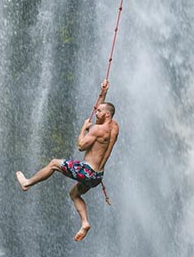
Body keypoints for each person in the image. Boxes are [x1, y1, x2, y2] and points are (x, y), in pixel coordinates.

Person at [16, 79, 119, 241]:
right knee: (74, 194)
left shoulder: (97, 130)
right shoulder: (114, 127)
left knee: (54, 163)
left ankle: (27, 183)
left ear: (106, 114)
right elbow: (104, 112)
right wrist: (104, 93)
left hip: (87, 171)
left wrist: (83, 129)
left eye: (98, 111)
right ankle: (85, 222)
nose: (95, 113)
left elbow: (81, 146)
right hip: (97, 177)